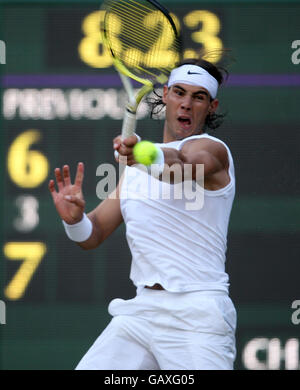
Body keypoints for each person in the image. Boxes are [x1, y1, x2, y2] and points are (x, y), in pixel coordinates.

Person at [49, 58, 237, 370]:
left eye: (198, 97)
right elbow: (92, 234)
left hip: (197, 316)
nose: (186, 104)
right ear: (165, 95)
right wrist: (74, 220)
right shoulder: (134, 173)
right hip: (141, 313)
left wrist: (143, 153)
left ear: (212, 106)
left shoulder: (214, 151)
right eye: (179, 92)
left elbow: (181, 164)